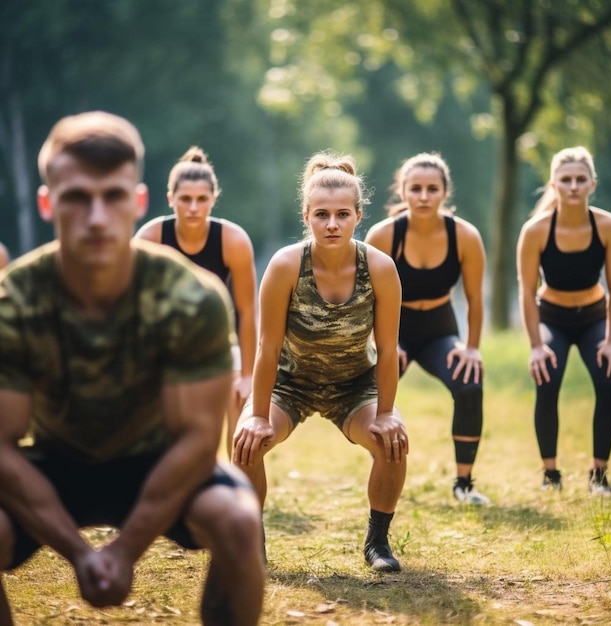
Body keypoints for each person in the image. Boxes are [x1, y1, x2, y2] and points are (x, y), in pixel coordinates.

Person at [0, 111, 265, 626]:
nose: (97, 217)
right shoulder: (13, 301)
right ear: (48, 202)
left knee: (237, 518)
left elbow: (196, 440)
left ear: (137, 201)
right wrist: (80, 553)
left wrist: (124, 551)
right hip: (55, 464)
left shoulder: (192, 298)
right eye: (77, 197)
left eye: (113, 196)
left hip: (158, 459)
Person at [232, 150, 408, 572]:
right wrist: (256, 416)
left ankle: (377, 543)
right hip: (290, 383)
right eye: (322, 214)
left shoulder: (379, 267)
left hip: (354, 385)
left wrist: (385, 413)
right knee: (244, 444)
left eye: (343, 214)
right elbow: (267, 349)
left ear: (358, 216)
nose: (333, 224)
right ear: (306, 216)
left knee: (394, 443)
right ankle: (251, 542)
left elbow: (387, 349)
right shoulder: (286, 265)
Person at [365, 152, 490, 505]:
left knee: (470, 384)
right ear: (402, 191)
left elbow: (475, 299)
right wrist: (382, 342)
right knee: (372, 397)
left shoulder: (464, 236)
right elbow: (365, 299)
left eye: (432, 189)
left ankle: (464, 484)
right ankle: (382, 476)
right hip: (395, 329)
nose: (423, 196)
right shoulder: (384, 235)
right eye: (415, 188)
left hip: (439, 330)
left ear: (444, 193)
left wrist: (472, 348)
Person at [135, 147, 257, 455]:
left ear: (213, 199)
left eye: (202, 199)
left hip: (220, 341)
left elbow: (247, 311)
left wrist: (248, 376)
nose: (193, 207)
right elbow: (135, 309)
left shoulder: (233, 241)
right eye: (185, 199)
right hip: (167, 342)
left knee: (237, 396)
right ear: (170, 199)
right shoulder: (151, 238)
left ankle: (237, 486)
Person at [516, 146, 611, 496]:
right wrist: (535, 346)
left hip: (594, 315)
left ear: (592, 184)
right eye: (566, 180)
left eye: (580, 180)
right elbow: (527, 291)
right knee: (547, 377)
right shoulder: (535, 230)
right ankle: (551, 474)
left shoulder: (608, 226)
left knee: (609, 378)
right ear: (553, 184)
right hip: (553, 317)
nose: (573, 186)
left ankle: (599, 474)